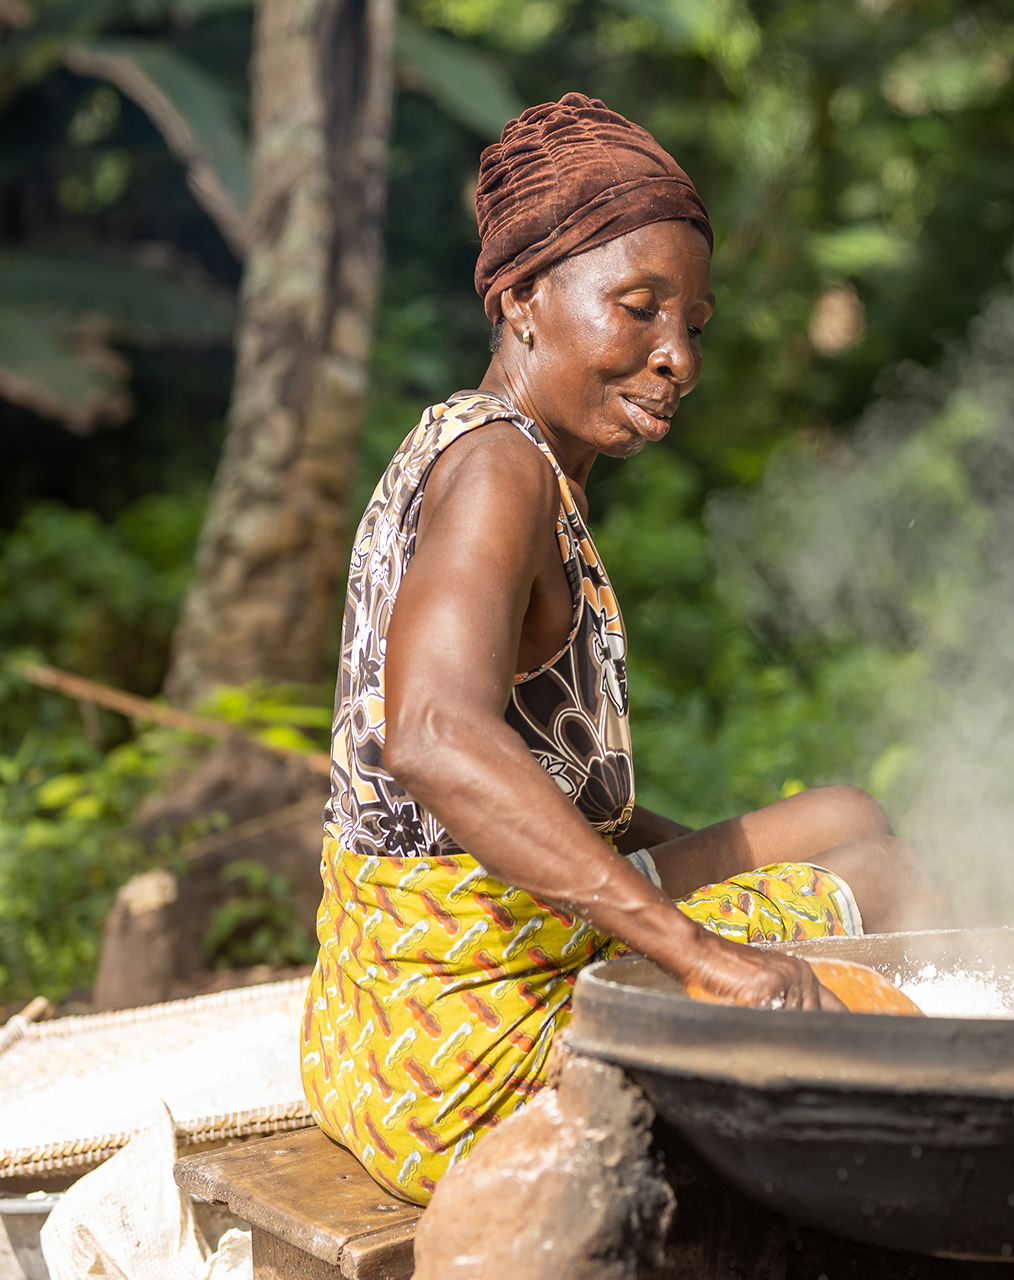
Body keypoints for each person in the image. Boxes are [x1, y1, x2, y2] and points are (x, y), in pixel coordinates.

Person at [299, 93, 950, 1205]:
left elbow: (537, 779)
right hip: (473, 1048)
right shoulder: (502, 470)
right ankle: (938, 1139)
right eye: (638, 308)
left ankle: (913, 1083)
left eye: (694, 320)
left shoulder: (475, 443)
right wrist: (702, 952)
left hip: (376, 1026)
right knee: (879, 875)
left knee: (840, 817)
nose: (677, 358)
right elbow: (431, 734)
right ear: (521, 301)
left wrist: (731, 885)